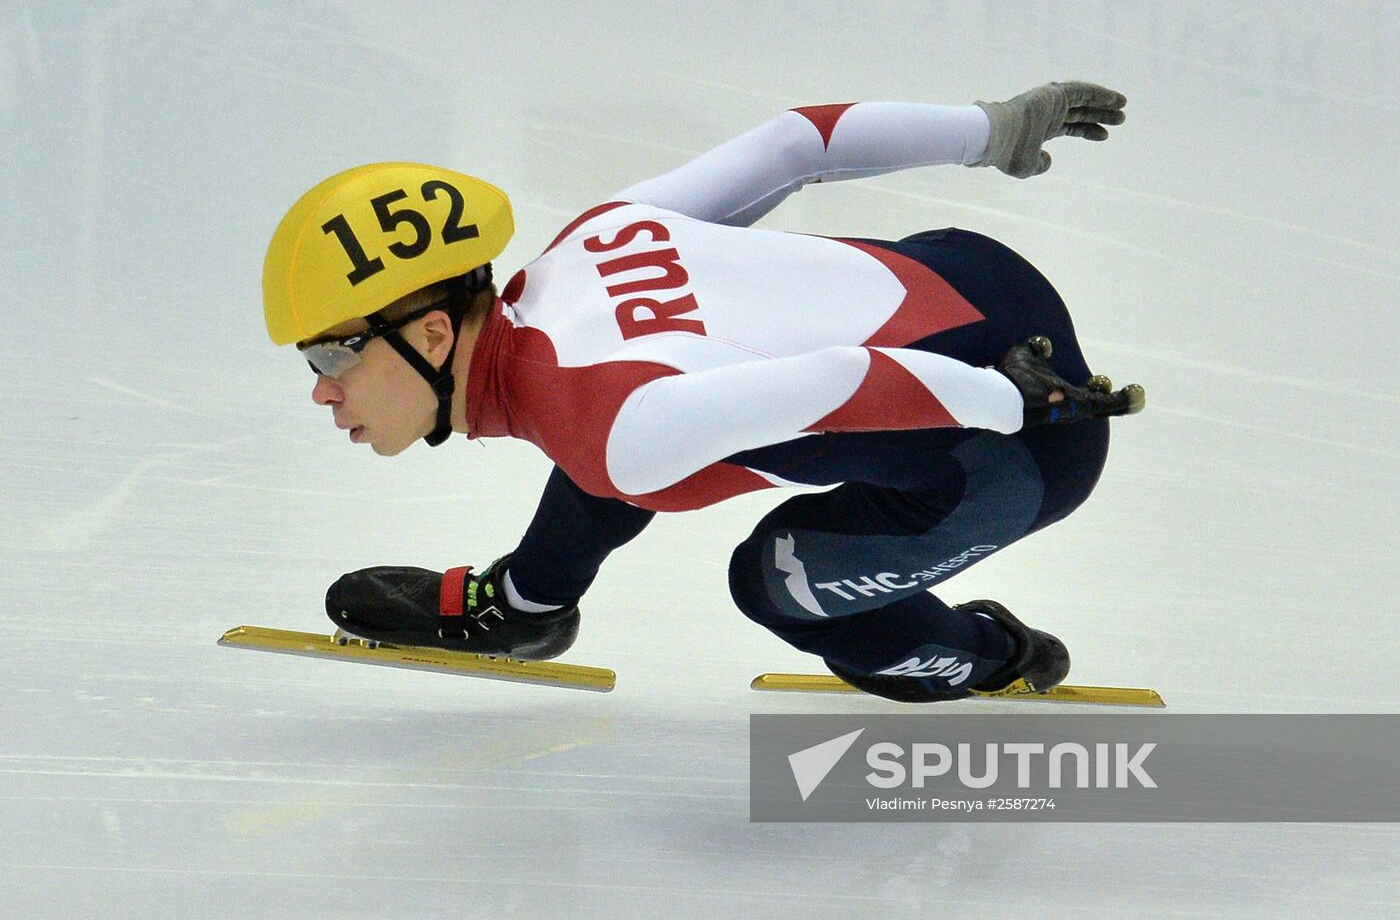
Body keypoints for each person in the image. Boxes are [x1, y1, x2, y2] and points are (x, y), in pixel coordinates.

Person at [261, 80, 1142, 703]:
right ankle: (529, 603)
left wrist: (1019, 402)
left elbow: (844, 381)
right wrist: (991, 129)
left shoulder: (612, 426)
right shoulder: (589, 241)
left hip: (1017, 441)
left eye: (332, 356)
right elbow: (795, 144)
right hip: (975, 276)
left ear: (432, 334)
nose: (322, 392)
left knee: (771, 578)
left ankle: (995, 654)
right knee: (624, 433)